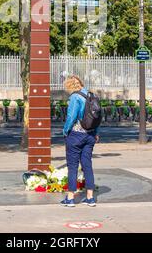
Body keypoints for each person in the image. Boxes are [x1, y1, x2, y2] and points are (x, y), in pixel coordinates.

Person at [60, 75, 99, 207]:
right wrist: (96, 133)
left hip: (76, 135)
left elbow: (71, 117)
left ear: (70, 86)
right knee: (87, 165)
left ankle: (70, 198)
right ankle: (90, 197)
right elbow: (96, 116)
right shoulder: (91, 95)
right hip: (90, 134)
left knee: (72, 166)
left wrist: (65, 131)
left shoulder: (75, 97)